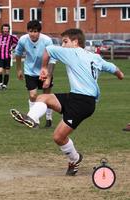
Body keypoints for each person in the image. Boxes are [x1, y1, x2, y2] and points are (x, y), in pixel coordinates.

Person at [10, 28, 124, 176]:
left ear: (75, 42)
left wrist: (44, 68)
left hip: (83, 103)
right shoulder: (95, 57)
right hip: (75, 97)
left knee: (58, 137)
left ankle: (75, 159)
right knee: (43, 97)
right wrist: (120, 75)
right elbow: (113, 68)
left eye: (65, 42)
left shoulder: (72, 52)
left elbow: (48, 49)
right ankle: (32, 118)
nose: (63, 46)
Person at [14, 20, 56, 128]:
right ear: (27, 31)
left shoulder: (47, 40)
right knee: (33, 95)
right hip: (30, 71)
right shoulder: (23, 40)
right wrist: (18, 69)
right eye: (30, 31)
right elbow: (18, 54)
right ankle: (34, 119)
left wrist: (48, 77)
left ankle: (49, 118)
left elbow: (52, 60)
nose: (33, 34)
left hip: (45, 70)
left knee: (46, 96)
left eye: (35, 31)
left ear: (39, 32)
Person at [0, 24, 18, 90]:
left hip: (7, 56)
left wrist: (12, 47)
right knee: (0, 71)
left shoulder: (11, 37)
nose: (5, 31)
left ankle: (5, 85)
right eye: (4, 30)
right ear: (2, 30)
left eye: (7, 30)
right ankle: (0, 84)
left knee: (7, 72)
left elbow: (18, 42)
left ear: (8, 30)